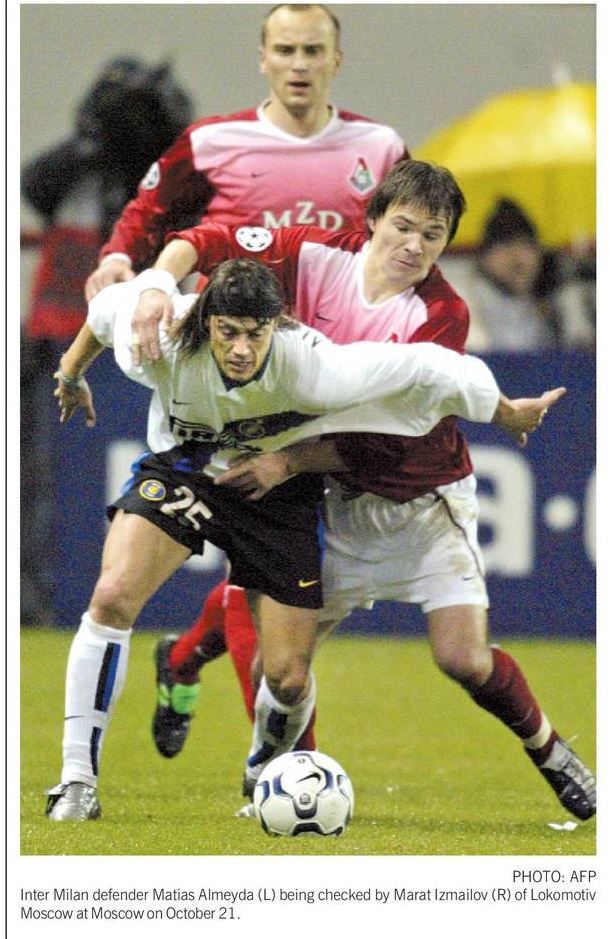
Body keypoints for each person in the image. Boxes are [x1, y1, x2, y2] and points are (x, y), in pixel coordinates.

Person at [127, 159, 595, 821]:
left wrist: (288, 460)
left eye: (432, 235)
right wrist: (155, 285)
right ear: (373, 219)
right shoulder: (315, 254)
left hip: (421, 499)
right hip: (332, 499)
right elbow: (210, 238)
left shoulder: (440, 313)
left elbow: (394, 437)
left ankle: (549, 749)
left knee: (463, 659)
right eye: (402, 226)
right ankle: (278, 772)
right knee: (277, 664)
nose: (414, 245)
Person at [44, 257, 547, 821]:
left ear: (276, 326)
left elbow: (432, 367)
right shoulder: (162, 334)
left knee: (285, 677)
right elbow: (102, 314)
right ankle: (77, 780)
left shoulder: (314, 367)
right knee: (112, 597)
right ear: (206, 321)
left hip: (276, 495)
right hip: (187, 471)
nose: (241, 349)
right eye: (228, 332)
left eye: (254, 334)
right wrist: (71, 376)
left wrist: (503, 411)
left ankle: (264, 767)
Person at [84, 3, 408, 321]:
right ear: (263, 59)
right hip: (229, 333)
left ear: (336, 60)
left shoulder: (381, 147)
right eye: (285, 50)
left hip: (340, 333)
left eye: (313, 51)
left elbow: (413, 234)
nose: (299, 65)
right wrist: (117, 258)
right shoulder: (210, 141)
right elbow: (149, 209)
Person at [20, 57, 193, 624]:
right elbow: (35, 183)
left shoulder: (177, 182)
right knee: (38, 477)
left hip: (151, 345)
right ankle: (30, 590)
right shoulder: (77, 171)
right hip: (57, 340)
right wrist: (91, 139)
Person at [439, 197, 595, 351]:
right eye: (505, 245)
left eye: (526, 245)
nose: (517, 257)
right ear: (484, 257)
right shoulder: (461, 299)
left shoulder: (550, 304)